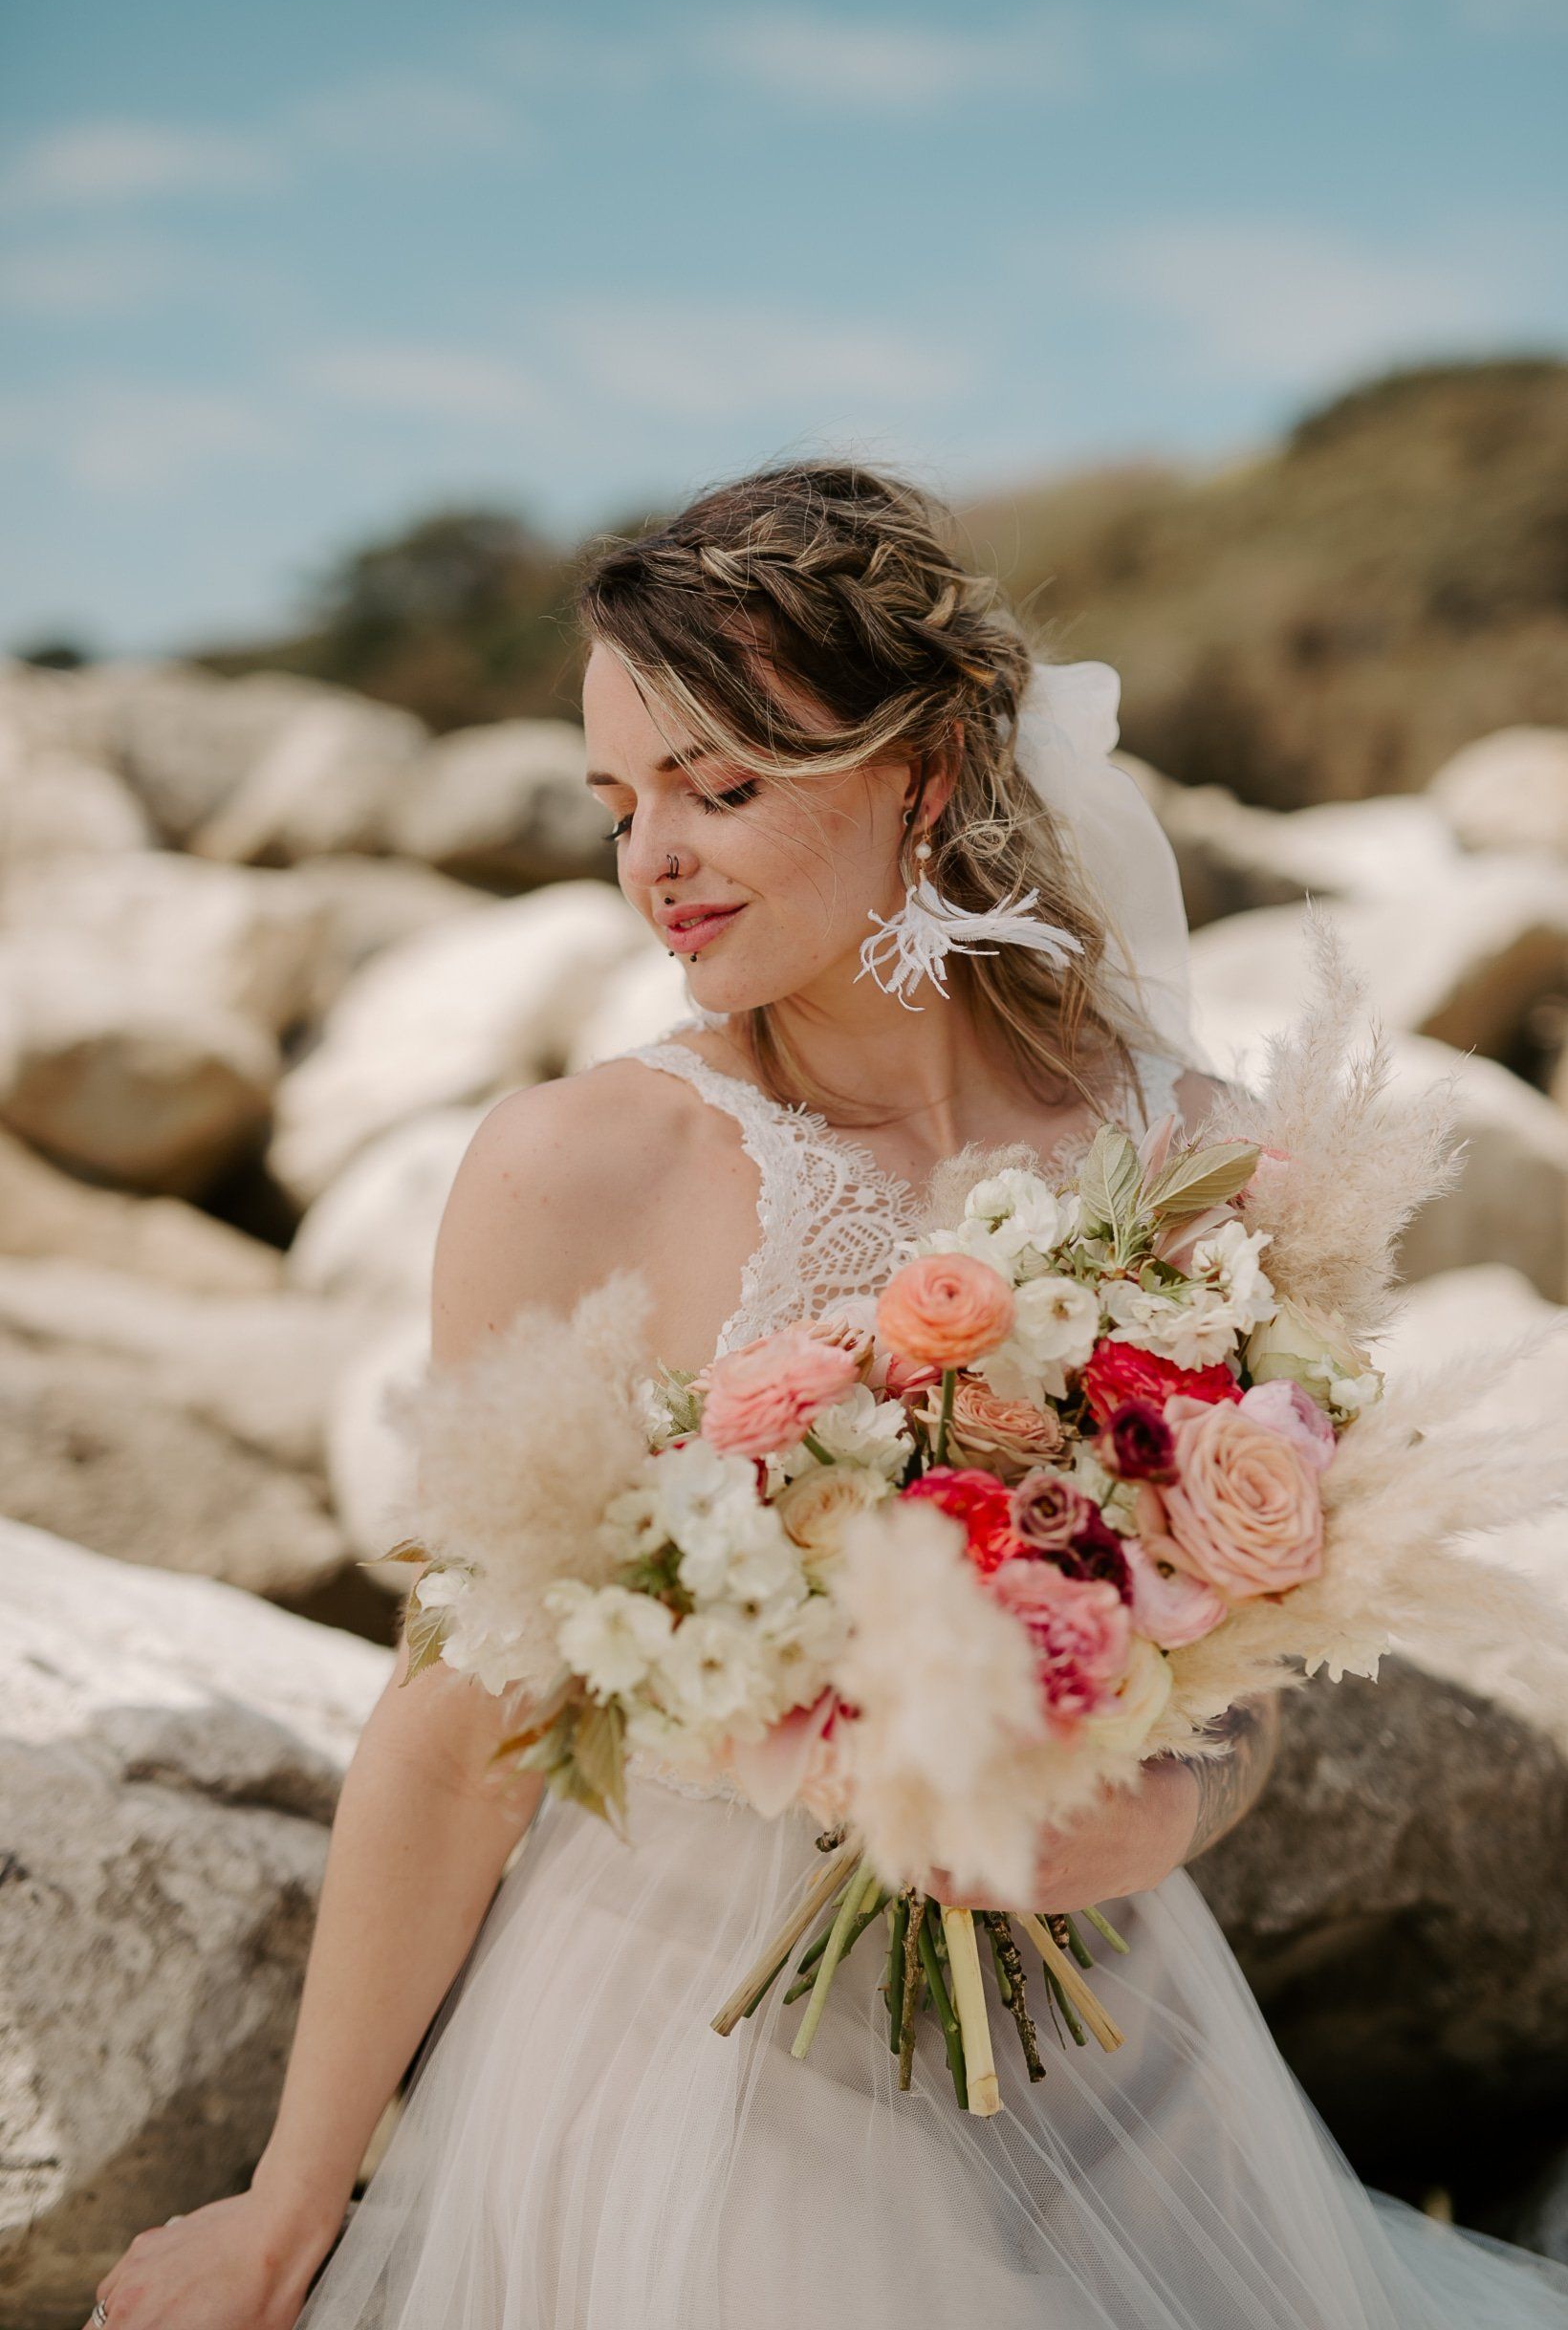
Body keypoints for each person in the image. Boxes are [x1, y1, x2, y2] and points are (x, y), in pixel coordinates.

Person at [85, 463, 1568, 2329]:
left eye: (722, 787)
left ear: (925, 772)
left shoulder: (1184, 1149)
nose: (656, 863)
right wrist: (293, 2203)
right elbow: (456, 1715)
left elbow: (1250, 1651)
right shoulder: (583, 1167)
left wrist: (1164, 1808)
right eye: (620, 803)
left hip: (1103, 2020)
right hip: (695, 2037)